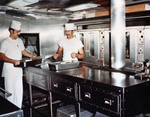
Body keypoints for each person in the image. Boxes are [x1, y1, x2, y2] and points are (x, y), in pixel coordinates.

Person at [0, 20, 37, 108]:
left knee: (19, 91)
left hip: (18, 69)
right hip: (9, 70)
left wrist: (31, 56)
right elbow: (1, 56)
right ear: (11, 31)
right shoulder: (5, 42)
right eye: (17, 32)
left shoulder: (19, 41)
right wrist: (13, 61)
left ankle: (18, 109)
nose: (19, 34)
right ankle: (10, 110)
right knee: (10, 91)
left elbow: (23, 51)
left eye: (19, 31)